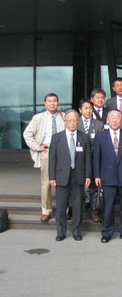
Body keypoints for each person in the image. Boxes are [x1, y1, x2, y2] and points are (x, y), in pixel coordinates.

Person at [93, 110, 122, 243]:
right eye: (112, 117)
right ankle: (107, 232)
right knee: (108, 207)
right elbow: (97, 158)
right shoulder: (100, 136)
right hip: (107, 177)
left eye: (117, 117)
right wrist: (97, 175)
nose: (114, 120)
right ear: (107, 120)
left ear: (121, 120)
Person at [48, 110, 91, 241]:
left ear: (78, 122)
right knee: (61, 206)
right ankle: (61, 232)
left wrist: (88, 175)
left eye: (75, 120)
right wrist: (52, 177)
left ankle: (76, 232)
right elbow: (52, 159)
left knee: (78, 206)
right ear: (65, 121)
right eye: (70, 120)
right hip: (61, 176)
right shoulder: (57, 138)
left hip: (79, 176)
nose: (72, 123)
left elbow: (88, 159)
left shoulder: (84, 137)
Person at [23, 93, 65, 222]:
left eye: (54, 101)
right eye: (49, 101)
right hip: (47, 151)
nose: (52, 103)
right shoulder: (38, 118)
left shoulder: (63, 116)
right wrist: (37, 147)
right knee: (46, 183)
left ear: (58, 103)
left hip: (63, 153)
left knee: (64, 182)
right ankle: (46, 210)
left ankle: (65, 209)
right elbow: (27, 134)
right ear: (45, 103)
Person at [77, 98, 104, 223]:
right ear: (80, 110)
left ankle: (94, 211)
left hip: (93, 159)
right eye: (86, 108)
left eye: (90, 108)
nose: (88, 111)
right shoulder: (75, 122)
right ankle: (76, 209)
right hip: (78, 159)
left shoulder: (98, 124)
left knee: (93, 186)